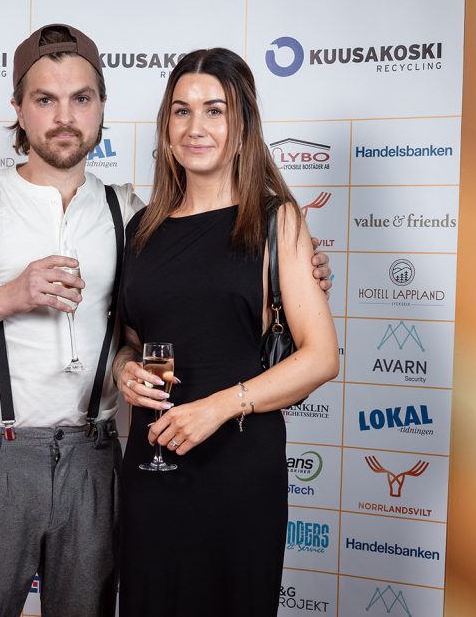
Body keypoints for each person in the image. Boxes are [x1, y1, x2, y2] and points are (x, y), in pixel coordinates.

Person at [0, 26, 332, 617]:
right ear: (18, 109)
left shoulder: (129, 211)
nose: (64, 116)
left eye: (81, 98)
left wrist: (298, 270)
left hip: (98, 458)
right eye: (45, 99)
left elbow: (206, 289)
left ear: (102, 108)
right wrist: (9, 296)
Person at [112, 48, 340, 616]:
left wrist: (217, 407)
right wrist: (124, 369)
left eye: (215, 110)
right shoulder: (142, 228)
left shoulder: (276, 220)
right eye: (182, 111)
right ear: (166, 127)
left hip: (237, 468)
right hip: (153, 462)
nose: (196, 127)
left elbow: (321, 357)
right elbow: (132, 337)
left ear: (243, 127)